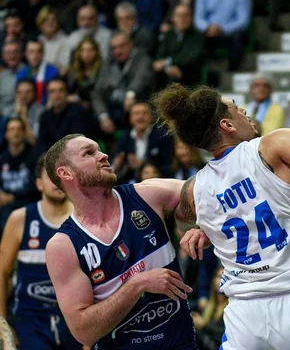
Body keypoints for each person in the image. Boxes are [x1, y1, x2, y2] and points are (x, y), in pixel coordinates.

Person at [154, 83, 290, 349]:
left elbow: (183, 221)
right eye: (235, 108)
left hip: (243, 313)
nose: (243, 110)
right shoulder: (269, 147)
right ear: (227, 125)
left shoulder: (194, 188)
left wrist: (203, 230)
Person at [43, 134, 197, 349]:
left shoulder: (146, 195)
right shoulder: (63, 246)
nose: (103, 155)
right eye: (89, 153)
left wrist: (205, 228)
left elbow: (210, 189)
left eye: (100, 150)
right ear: (65, 173)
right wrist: (137, 284)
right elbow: (84, 332)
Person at [0, 155, 82, 349]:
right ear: (38, 184)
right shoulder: (20, 218)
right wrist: (2, 324)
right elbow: (2, 273)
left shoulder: (83, 219)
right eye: (51, 176)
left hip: (75, 320)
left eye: (63, 175)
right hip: (31, 320)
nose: (58, 181)